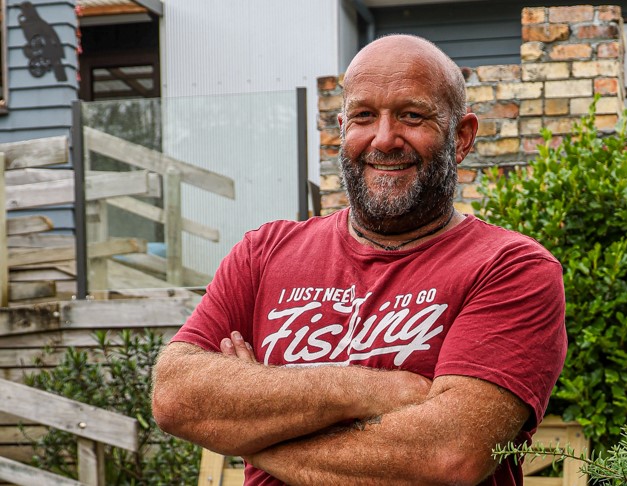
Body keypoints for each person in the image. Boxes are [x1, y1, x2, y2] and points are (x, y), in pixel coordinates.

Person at [152, 34, 567, 486]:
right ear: (342, 127)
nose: (384, 139)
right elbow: (176, 397)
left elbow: (448, 454)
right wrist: (373, 389)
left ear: (462, 137)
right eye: (364, 116)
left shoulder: (510, 267)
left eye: (412, 115)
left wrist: (252, 423)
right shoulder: (265, 252)